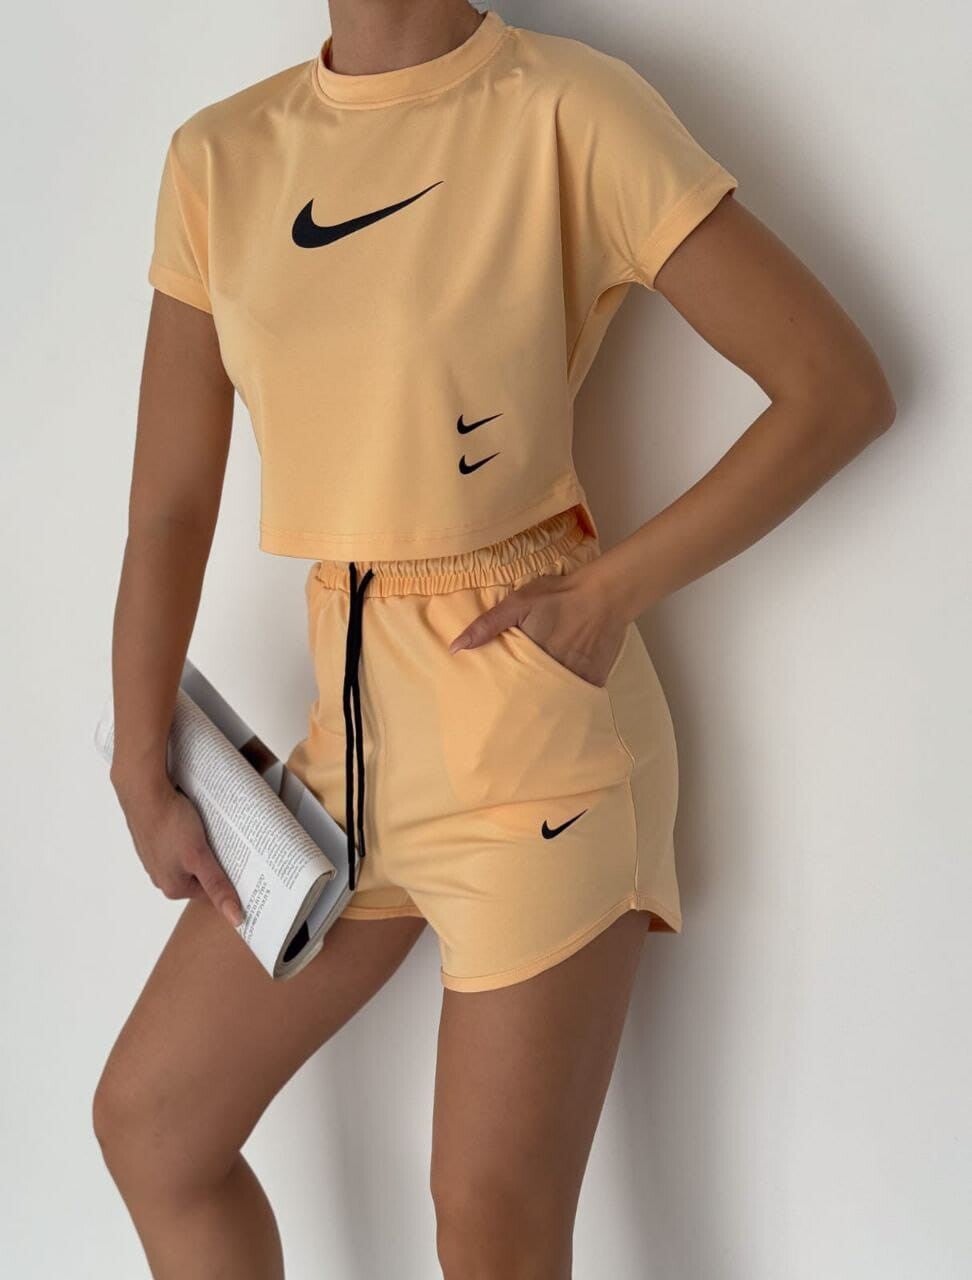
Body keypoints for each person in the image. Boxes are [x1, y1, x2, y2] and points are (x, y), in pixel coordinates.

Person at [92, 3, 896, 1276]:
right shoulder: (219, 155)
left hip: (535, 729)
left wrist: (607, 592)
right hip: (348, 749)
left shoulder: (568, 107)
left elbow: (835, 386)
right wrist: (143, 760)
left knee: (490, 1220)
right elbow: (170, 504)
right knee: (152, 1125)